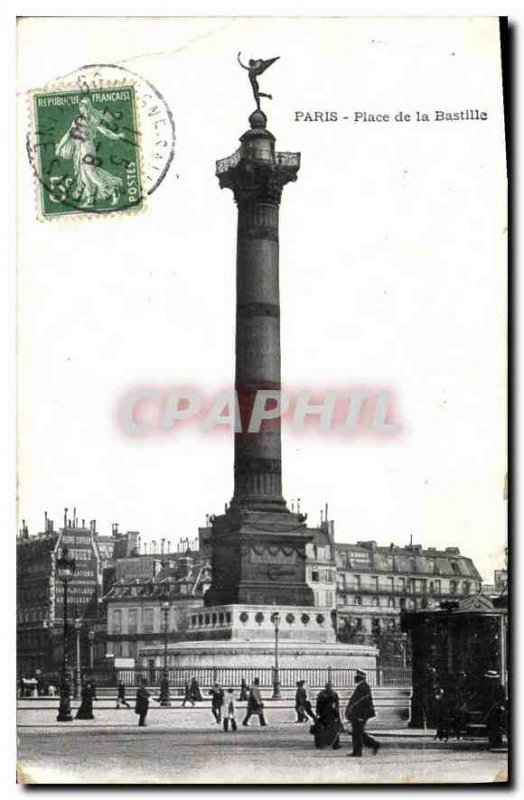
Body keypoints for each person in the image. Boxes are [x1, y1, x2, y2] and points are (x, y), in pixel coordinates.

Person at [55, 97, 126, 207]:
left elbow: (104, 131)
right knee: (84, 175)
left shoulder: (93, 119)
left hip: (88, 146)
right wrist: (60, 147)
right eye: (82, 108)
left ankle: (112, 190)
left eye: (86, 107)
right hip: (79, 149)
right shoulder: (77, 119)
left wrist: (116, 136)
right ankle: (90, 200)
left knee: (89, 171)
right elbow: (68, 134)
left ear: (89, 108)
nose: (84, 110)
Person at [345, 669, 380, 757]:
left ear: (360, 678)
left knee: (357, 733)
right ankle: (373, 745)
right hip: (358, 714)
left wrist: (360, 715)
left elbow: (361, 703)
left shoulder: (363, 687)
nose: (354, 678)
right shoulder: (361, 687)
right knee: (358, 732)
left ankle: (358, 751)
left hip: (360, 714)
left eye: (356, 677)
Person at [482, 671, 507, 749]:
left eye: (492, 679)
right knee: (492, 727)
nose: (491, 681)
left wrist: (500, 706)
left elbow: (502, 699)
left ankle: (497, 742)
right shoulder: (487, 689)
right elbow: (485, 700)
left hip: (498, 710)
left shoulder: (500, 688)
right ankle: (493, 742)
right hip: (489, 711)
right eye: (489, 679)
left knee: (497, 726)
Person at [313, 681, 342, 749]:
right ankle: (334, 744)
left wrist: (318, 712)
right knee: (332, 729)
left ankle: (323, 744)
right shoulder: (333, 694)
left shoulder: (322, 694)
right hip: (329, 714)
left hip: (325, 714)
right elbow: (336, 705)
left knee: (325, 729)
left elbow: (319, 704)